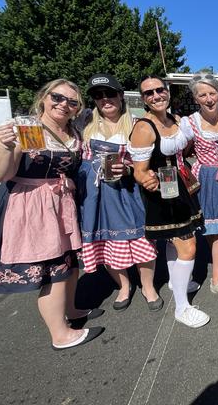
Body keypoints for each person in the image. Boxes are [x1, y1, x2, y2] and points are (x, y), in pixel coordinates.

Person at [0, 79, 104, 350]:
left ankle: (73, 310)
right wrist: (5, 147)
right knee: (53, 270)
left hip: (62, 205)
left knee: (69, 264)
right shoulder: (25, 128)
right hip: (30, 206)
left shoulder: (72, 132)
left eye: (71, 101)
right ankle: (61, 334)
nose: (63, 104)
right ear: (43, 97)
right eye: (57, 97)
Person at [129, 76, 209, 328]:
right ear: (143, 99)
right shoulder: (144, 127)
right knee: (188, 247)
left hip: (180, 186)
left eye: (159, 90)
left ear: (168, 92)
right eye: (148, 93)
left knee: (176, 242)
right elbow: (138, 170)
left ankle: (176, 281)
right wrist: (146, 179)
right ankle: (182, 308)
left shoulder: (176, 120)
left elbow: (182, 151)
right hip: (162, 193)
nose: (155, 96)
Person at [77, 74, 161, 312]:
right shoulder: (85, 123)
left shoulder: (136, 124)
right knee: (106, 244)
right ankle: (124, 286)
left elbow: (147, 162)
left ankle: (148, 286)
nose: (105, 99)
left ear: (120, 95)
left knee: (141, 242)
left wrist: (127, 167)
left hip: (127, 192)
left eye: (109, 93)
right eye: (98, 95)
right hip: (95, 196)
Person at [179, 73, 218, 302]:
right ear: (196, 98)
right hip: (206, 177)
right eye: (202, 94)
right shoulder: (189, 122)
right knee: (217, 228)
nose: (208, 98)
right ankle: (217, 281)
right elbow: (178, 149)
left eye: (212, 93)